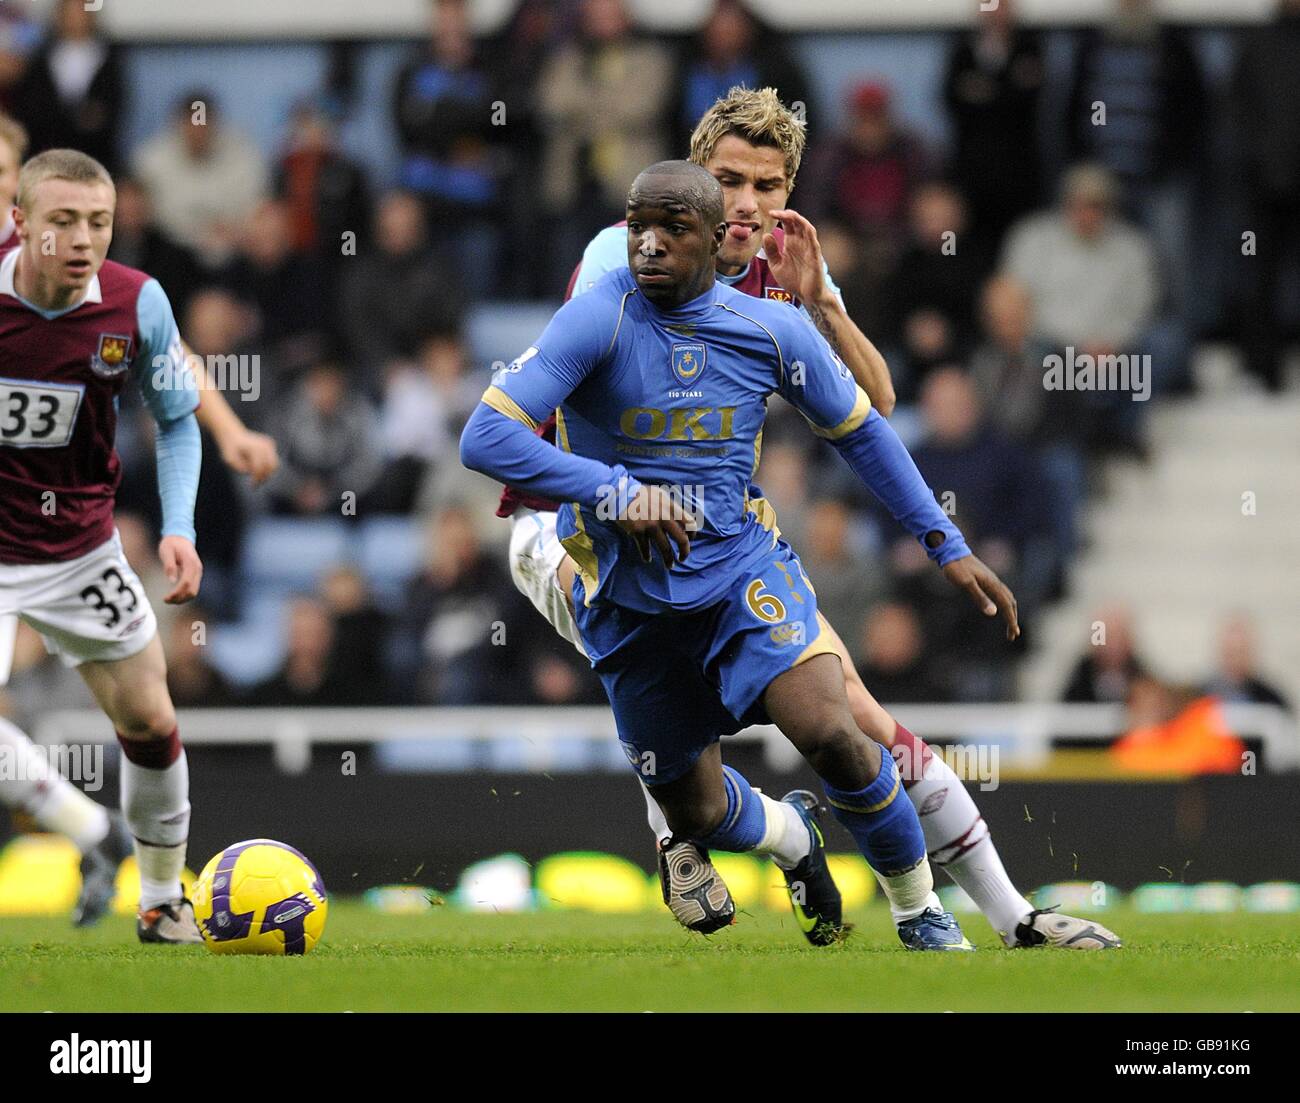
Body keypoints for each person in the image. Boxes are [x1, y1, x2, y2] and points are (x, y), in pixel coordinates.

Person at [495, 90, 1118, 951]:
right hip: (560, 526)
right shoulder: (625, 263)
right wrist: (617, 496)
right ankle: (683, 828)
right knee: (664, 706)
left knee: (847, 714)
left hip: (711, 537)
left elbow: (876, 407)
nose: (748, 206)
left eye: (768, 185)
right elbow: (543, 422)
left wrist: (821, 305)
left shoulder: (774, 272)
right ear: (692, 182)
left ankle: (998, 915)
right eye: (728, 182)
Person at [0, 147, 278, 931]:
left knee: (151, 723)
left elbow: (177, 420)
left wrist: (181, 528)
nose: (84, 238)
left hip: (79, 549)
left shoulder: (136, 302)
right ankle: (90, 832)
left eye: (99, 221)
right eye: (63, 221)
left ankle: (160, 901)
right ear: (20, 224)